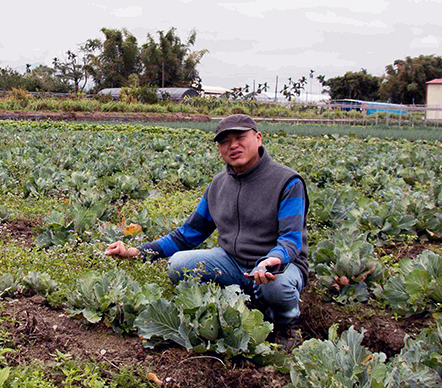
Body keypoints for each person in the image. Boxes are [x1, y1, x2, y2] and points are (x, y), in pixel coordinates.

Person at [105, 114, 308, 345]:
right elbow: (187, 235)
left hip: (280, 264)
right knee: (177, 265)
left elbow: (291, 240)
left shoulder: (287, 182)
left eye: (240, 137)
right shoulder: (218, 186)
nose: (233, 145)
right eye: (224, 142)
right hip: (232, 262)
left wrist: (273, 258)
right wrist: (136, 252)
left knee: (277, 285)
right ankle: (244, 303)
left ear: (258, 138)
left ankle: (287, 324)